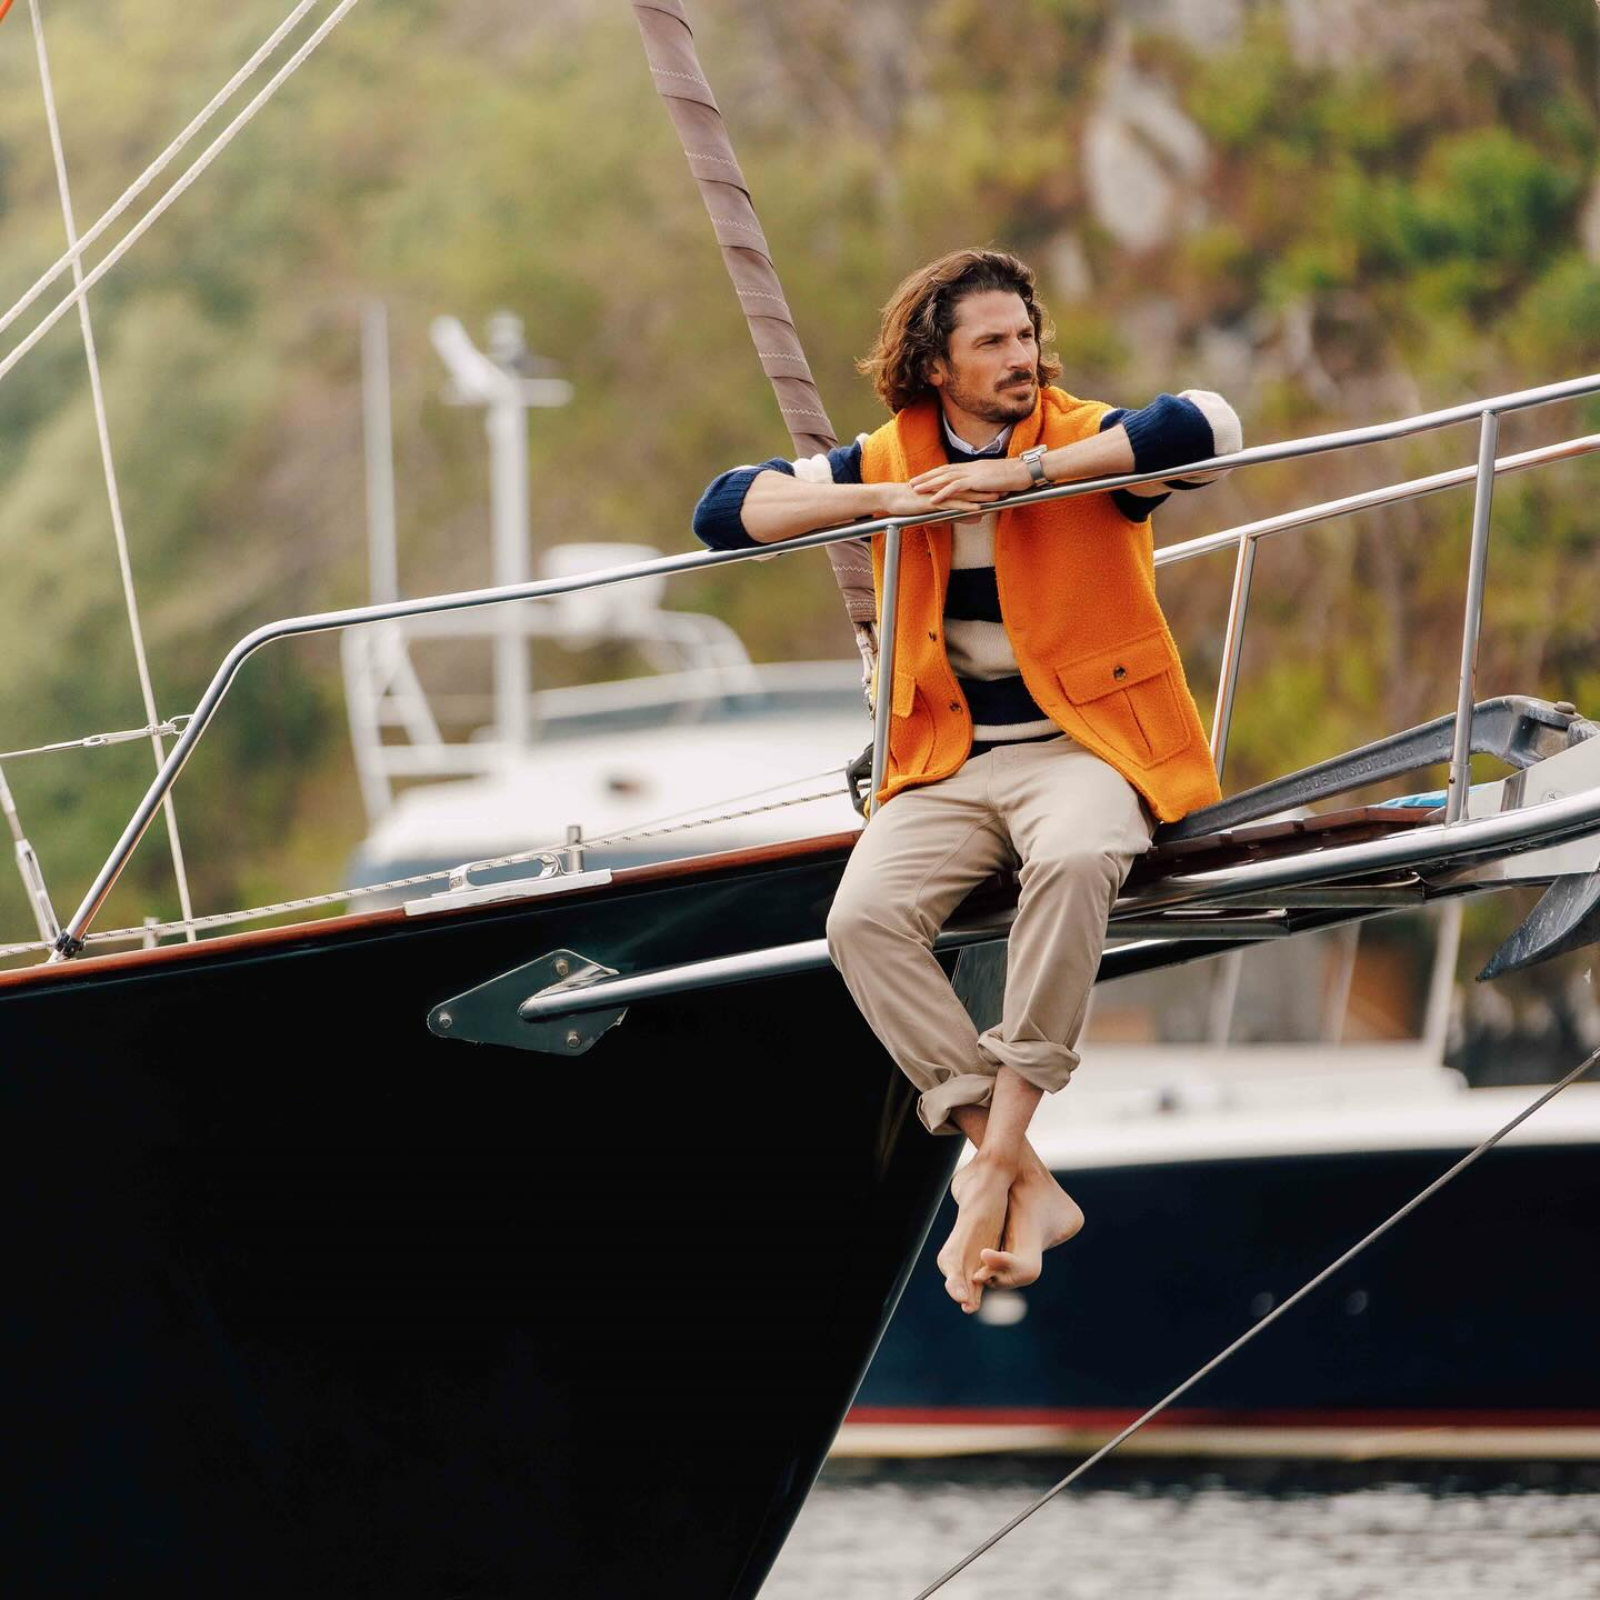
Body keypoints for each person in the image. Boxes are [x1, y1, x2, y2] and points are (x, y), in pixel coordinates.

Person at [692, 249, 1239, 1313]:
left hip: (1078, 750)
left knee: (1079, 856)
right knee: (861, 918)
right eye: (991, 342)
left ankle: (1002, 1151)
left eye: (1025, 337)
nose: (1019, 358)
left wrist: (1017, 476)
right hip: (944, 765)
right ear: (934, 364)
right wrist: (889, 500)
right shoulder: (889, 457)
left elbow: (1207, 426)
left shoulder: (1083, 441)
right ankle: (1008, 1161)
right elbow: (722, 509)